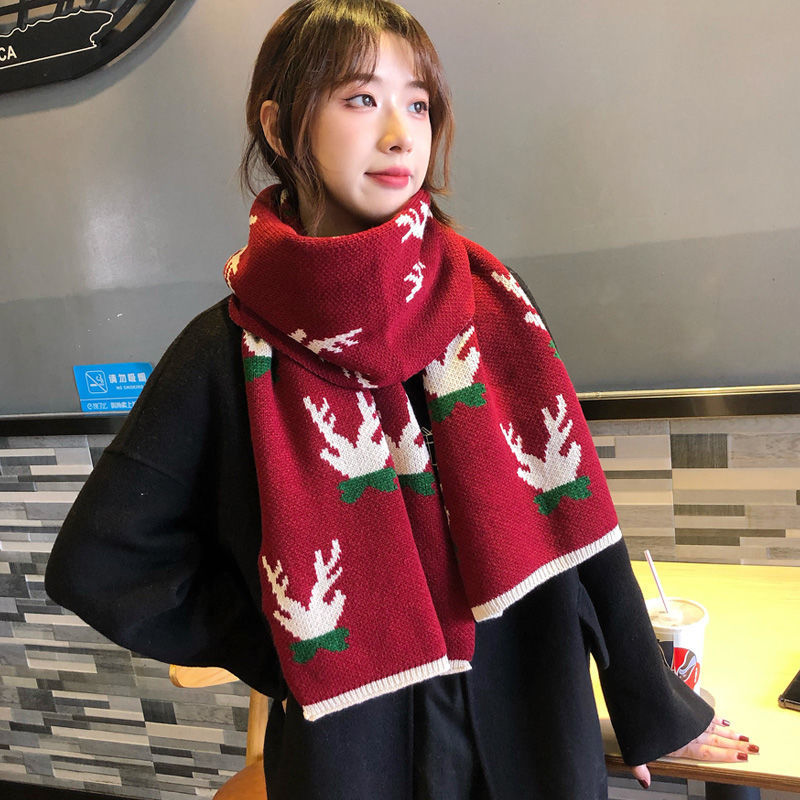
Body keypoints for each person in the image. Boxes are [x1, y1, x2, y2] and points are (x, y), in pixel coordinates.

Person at [45, 2, 757, 798]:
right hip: (359, 753)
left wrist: (648, 696)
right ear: (279, 126)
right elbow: (101, 563)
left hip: (531, 716)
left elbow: (572, 507)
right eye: (361, 98)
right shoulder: (228, 350)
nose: (400, 135)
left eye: (417, 104)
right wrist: (296, 642)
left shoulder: (492, 305)